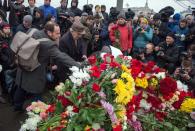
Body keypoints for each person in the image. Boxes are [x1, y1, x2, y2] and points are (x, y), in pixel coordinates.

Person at [13, 21, 81, 111]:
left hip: (23, 67)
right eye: (57, 33)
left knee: (21, 89)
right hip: (35, 74)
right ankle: (38, 115)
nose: (59, 35)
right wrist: (78, 65)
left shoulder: (34, 31)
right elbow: (62, 57)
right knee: (37, 97)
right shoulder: (49, 44)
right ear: (49, 32)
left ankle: (17, 107)